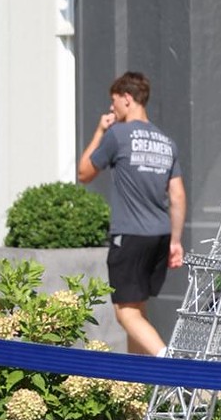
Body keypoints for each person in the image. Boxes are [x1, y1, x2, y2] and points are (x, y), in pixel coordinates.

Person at [77, 71, 186, 356]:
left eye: (114, 102)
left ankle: (172, 365)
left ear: (127, 98)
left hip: (130, 235)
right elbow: (177, 195)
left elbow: (84, 173)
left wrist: (100, 131)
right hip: (161, 235)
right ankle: (138, 385)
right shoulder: (166, 141)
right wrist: (175, 241)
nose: (111, 109)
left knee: (125, 313)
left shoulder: (118, 135)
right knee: (137, 309)